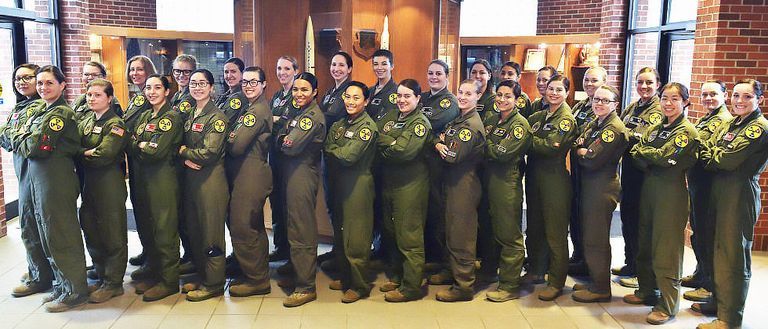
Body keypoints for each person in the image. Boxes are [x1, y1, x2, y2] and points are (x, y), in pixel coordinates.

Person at [695, 79, 768, 329]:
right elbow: (713, 150)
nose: (739, 101)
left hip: (739, 193)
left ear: (760, 100)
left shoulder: (757, 127)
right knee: (717, 250)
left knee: (733, 256)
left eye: (747, 97)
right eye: (736, 95)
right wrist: (713, 154)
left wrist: (711, 155)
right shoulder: (733, 122)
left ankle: (730, 318)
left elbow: (726, 160)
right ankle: (718, 301)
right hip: (720, 190)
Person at [14, 65, 87, 312]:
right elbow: (23, 139)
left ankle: (75, 291)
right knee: (45, 234)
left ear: (62, 85)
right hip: (39, 179)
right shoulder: (41, 111)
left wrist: (22, 139)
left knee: (60, 233)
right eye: (41, 83)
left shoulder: (60, 114)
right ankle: (61, 285)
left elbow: (34, 147)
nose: (44, 88)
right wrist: (23, 138)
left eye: (49, 83)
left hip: (56, 180)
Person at [625, 82, 699, 325]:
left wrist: (650, 154)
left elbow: (667, 156)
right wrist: (651, 155)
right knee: (645, 242)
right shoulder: (656, 128)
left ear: (685, 102)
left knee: (666, 250)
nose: (668, 103)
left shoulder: (686, 131)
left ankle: (667, 305)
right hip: (649, 190)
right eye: (665, 98)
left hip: (671, 194)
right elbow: (636, 153)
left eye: (675, 99)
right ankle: (648, 291)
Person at [127, 74, 183, 302]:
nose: (151, 92)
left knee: (164, 230)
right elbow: (129, 142)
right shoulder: (144, 116)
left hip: (162, 181)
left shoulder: (171, 118)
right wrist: (139, 144)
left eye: (157, 88)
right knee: (148, 227)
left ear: (167, 91)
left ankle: (169, 281)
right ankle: (156, 272)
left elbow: (156, 151)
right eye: (148, 88)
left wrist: (139, 144)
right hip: (143, 179)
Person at [571, 85, 628, 303]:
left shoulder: (612, 128)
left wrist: (583, 151)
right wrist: (582, 149)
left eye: (605, 100)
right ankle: (596, 280)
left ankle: (602, 288)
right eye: (596, 99)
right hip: (591, 186)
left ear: (615, 104)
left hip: (602, 187)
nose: (599, 103)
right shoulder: (597, 122)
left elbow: (591, 159)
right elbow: (580, 144)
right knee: (590, 236)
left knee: (597, 239)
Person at [176, 69, 230, 301]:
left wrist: (184, 152)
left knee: (211, 233)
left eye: (202, 84)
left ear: (211, 87)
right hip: (192, 181)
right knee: (195, 231)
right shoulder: (190, 113)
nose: (197, 87)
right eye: (194, 83)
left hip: (210, 182)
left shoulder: (216, 117)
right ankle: (202, 275)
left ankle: (214, 283)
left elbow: (209, 153)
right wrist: (187, 157)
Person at [524, 75, 578, 301]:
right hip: (535, 176)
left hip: (554, 179)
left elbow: (550, 148)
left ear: (566, 92)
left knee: (555, 232)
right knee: (535, 227)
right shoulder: (540, 116)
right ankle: (536, 269)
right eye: (550, 88)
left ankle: (556, 281)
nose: (553, 93)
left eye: (559, 89)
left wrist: (528, 140)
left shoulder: (566, 119)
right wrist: (533, 139)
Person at [324, 81, 378, 303]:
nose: (350, 101)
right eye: (347, 97)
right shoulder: (339, 124)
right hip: (339, 184)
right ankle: (346, 277)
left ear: (365, 101)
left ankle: (360, 285)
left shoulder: (367, 127)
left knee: (356, 238)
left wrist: (336, 150)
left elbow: (348, 157)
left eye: (356, 98)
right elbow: (327, 147)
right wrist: (337, 150)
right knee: (341, 233)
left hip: (358, 186)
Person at [378, 79, 431, 302]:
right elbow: (377, 136)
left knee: (409, 236)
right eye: (399, 96)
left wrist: (388, 144)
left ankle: (411, 287)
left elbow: (403, 152)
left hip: (411, 186)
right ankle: (399, 276)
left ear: (418, 98)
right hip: (390, 184)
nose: (402, 100)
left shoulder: (420, 123)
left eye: (407, 96)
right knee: (393, 232)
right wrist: (391, 141)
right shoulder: (393, 117)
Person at [77, 79, 129, 303]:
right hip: (89, 185)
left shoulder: (116, 124)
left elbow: (104, 154)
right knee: (91, 228)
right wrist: (86, 152)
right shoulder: (87, 121)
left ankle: (113, 283)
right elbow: (71, 146)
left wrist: (82, 153)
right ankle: (100, 275)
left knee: (112, 233)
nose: (91, 98)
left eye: (97, 95)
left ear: (109, 98)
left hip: (109, 184)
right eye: (89, 94)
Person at [434, 79, 486, 302]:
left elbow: (453, 156)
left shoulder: (471, 125)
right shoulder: (459, 119)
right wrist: (441, 142)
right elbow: (442, 137)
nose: (463, 97)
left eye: (468, 93)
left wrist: (440, 145)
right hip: (453, 182)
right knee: (450, 230)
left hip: (464, 184)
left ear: (478, 97)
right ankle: (452, 273)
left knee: (461, 235)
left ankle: (464, 285)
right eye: (460, 92)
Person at [3, 64, 52, 299]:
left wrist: (15, 136)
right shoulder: (20, 107)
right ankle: (39, 269)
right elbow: (6, 135)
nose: (21, 82)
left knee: (32, 225)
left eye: (27, 78)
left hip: (35, 174)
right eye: (17, 79)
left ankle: (40, 276)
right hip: (22, 171)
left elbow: (27, 141)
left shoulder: (41, 107)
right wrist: (15, 136)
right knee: (29, 223)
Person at [277, 72, 327, 307]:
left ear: (315, 92)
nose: (298, 94)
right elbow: (281, 138)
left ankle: (306, 287)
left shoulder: (311, 117)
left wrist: (284, 138)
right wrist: (284, 138)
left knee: (302, 229)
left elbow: (289, 146)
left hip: (302, 174)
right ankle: (299, 275)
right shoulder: (297, 112)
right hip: (291, 173)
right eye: (296, 89)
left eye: (304, 90)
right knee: (293, 225)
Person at [682, 80, 732, 304]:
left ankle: (709, 284)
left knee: (708, 235)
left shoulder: (723, 121)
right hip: (697, 183)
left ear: (724, 94)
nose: (708, 98)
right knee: (698, 232)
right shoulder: (707, 118)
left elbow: (703, 149)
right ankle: (701, 273)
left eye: (713, 94)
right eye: (704, 95)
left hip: (709, 185)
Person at [482, 80, 532, 302]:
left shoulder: (519, 125)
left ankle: (510, 284)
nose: (502, 99)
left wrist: (484, 147)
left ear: (517, 99)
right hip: (490, 179)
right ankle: (492, 272)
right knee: (492, 229)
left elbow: (501, 153)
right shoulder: (493, 119)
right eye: (499, 95)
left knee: (508, 233)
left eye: (507, 96)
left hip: (506, 182)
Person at [225, 66, 273, 297]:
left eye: (254, 82)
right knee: (253, 226)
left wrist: (227, 137)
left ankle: (257, 280)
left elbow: (236, 146)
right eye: (245, 82)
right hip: (245, 172)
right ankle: (255, 271)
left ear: (264, 84)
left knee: (243, 226)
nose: (248, 86)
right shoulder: (248, 106)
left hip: (251, 172)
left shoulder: (257, 111)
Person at [615, 67, 663, 287]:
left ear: (657, 85)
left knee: (642, 223)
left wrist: (628, 137)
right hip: (629, 172)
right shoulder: (633, 107)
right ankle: (631, 262)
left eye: (649, 83)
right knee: (629, 218)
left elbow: (646, 140)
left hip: (645, 173)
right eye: (640, 82)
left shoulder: (657, 110)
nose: (644, 87)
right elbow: (619, 132)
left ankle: (642, 272)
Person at [421, 59, 459, 285]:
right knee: (425, 212)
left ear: (446, 75)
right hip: (421, 165)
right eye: (430, 73)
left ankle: (442, 262)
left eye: (438, 73)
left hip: (438, 166)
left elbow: (426, 123)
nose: (434, 77)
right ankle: (428, 258)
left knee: (438, 213)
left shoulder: (449, 101)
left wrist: (427, 133)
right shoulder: (424, 97)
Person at [567, 66, 608, 276]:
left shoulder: (604, 109)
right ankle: (579, 255)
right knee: (576, 214)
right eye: (587, 80)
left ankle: (591, 266)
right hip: (577, 168)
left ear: (604, 82)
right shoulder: (580, 106)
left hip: (594, 171)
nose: (589, 84)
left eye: (594, 80)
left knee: (591, 221)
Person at [319, 51, 354, 272]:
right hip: (327, 156)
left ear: (349, 69)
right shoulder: (330, 92)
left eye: (341, 65)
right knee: (332, 205)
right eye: (333, 64)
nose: (337, 68)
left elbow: (327, 118)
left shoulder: (348, 92)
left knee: (342, 208)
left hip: (340, 154)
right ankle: (336, 248)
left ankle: (344, 254)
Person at [123, 55, 157, 270]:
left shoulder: (149, 96)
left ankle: (153, 257)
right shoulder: (136, 95)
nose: (135, 73)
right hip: (135, 159)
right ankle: (148, 250)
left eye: (139, 70)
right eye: (132, 69)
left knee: (149, 210)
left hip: (147, 161)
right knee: (140, 208)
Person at [366, 49, 399, 266]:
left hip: (384, 156)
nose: (379, 67)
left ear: (392, 66)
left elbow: (386, 126)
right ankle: (377, 247)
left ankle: (386, 252)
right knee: (373, 205)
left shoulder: (395, 92)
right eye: (376, 64)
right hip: (369, 156)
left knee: (386, 207)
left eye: (384, 64)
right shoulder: (370, 90)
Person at [268, 56, 300, 263]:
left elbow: (291, 124)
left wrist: (276, 120)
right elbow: (271, 120)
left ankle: (291, 253)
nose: (282, 72)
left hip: (290, 159)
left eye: (287, 68)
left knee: (290, 206)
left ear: (295, 70)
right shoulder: (278, 95)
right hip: (275, 156)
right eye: (279, 68)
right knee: (276, 202)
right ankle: (280, 246)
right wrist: (276, 121)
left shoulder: (298, 94)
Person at [216, 57, 249, 125]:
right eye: (226, 72)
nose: (229, 75)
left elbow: (222, 122)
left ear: (242, 74)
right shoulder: (225, 95)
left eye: (233, 71)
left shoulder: (239, 96)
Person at [170, 54, 198, 121]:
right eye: (177, 71)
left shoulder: (193, 95)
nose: (181, 75)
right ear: (173, 72)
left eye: (186, 72)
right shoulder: (177, 94)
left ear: (194, 73)